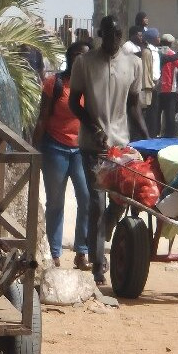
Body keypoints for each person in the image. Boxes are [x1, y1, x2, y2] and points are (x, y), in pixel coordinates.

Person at [69, 15, 148, 284]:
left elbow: (134, 104)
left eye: (117, 35)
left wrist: (148, 137)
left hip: (121, 144)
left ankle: (102, 239)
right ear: (100, 34)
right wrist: (93, 127)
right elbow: (74, 103)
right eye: (108, 34)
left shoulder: (134, 64)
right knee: (96, 202)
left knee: (120, 201)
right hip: (92, 145)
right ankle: (98, 265)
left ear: (122, 34)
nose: (113, 40)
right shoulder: (85, 63)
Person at [32, 41, 91, 270]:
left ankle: (81, 252)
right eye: (78, 56)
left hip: (81, 150)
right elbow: (42, 117)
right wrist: (35, 149)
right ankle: (54, 253)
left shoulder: (92, 86)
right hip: (55, 148)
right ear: (70, 58)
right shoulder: (54, 83)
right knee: (55, 202)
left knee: (86, 199)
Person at [157, 34, 178, 138]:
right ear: (171, 43)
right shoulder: (171, 53)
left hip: (158, 87)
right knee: (170, 114)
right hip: (170, 87)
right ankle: (170, 135)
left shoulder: (157, 52)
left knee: (157, 113)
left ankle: (157, 133)